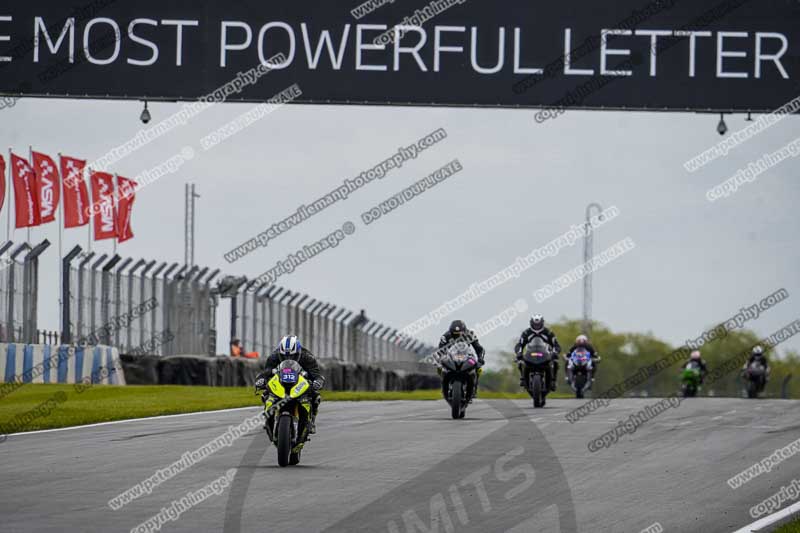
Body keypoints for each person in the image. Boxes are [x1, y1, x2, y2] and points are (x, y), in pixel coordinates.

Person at [254, 335, 325, 433]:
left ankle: (311, 420)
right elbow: (266, 371)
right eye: (284, 356)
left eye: (292, 356)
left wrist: (318, 381)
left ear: (298, 352)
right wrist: (261, 379)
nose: (288, 358)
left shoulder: (307, 357)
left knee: (315, 396)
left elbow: (316, 374)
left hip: (301, 381)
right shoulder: (274, 356)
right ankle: (268, 418)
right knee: (266, 394)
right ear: (280, 352)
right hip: (280, 380)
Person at [437, 320, 485, 399]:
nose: (457, 336)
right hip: (452, 356)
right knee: (440, 367)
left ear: (464, 331)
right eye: (455, 334)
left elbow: (479, 348)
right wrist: (441, 357)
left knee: (478, 368)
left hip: (466, 355)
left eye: (459, 334)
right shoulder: (445, 336)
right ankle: (444, 387)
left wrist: (480, 358)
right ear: (451, 332)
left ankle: (474, 388)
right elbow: (440, 349)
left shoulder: (470, 335)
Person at [515, 314, 561, 391]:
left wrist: (555, 352)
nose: (537, 326)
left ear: (542, 323)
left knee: (555, 361)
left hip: (545, 353)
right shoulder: (526, 333)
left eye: (538, 324)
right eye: (535, 324)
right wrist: (519, 353)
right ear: (531, 323)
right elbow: (520, 344)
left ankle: (553, 380)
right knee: (520, 361)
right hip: (530, 353)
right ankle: (522, 378)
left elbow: (556, 345)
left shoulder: (548, 332)